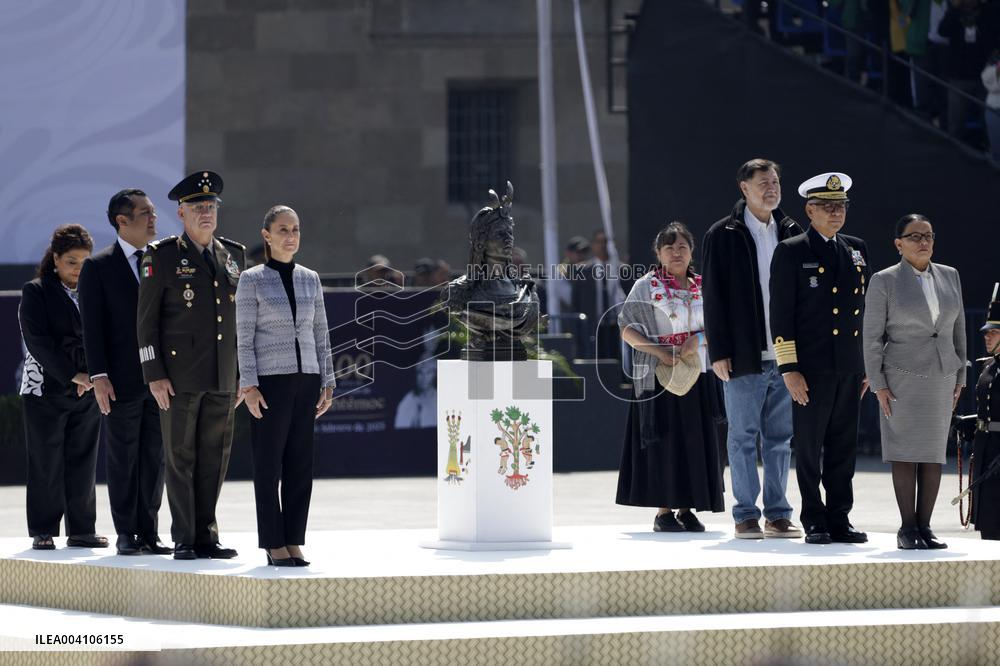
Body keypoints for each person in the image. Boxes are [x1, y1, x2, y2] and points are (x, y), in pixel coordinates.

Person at [137, 170, 245, 560]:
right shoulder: (161, 255)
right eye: (197, 207)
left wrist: (241, 375)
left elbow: (239, 321)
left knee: (215, 457)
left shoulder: (233, 255)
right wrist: (154, 374)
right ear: (180, 213)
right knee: (181, 457)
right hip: (178, 377)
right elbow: (146, 322)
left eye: (211, 206)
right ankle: (184, 536)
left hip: (222, 373)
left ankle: (206, 535)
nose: (206, 213)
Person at [702, 159, 804, 540]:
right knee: (742, 436)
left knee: (780, 439)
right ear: (744, 188)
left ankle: (778, 514)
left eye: (776, 181)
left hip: (786, 356)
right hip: (743, 354)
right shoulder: (723, 233)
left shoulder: (792, 230)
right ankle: (745, 513)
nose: (772, 188)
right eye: (764, 182)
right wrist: (718, 351)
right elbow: (712, 296)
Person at [769, 172, 870, 545]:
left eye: (841, 206)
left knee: (844, 446)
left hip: (849, 366)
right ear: (810, 210)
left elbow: (864, 311)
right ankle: (814, 517)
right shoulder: (793, 250)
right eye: (827, 207)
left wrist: (866, 365)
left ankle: (840, 516)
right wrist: (789, 368)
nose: (836, 212)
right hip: (810, 369)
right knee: (810, 446)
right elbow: (780, 316)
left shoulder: (856, 248)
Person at [237, 205, 335, 567]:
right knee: (268, 465)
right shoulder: (252, 279)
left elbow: (321, 333)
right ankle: (272, 542)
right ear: (267, 235)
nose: (290, 236)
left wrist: (328, 381)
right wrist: (248, 385)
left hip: (307, 379)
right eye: (282, 230)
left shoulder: (311, 278)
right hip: (270, 382)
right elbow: (243, 338)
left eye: (295, 229)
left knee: (299, 465)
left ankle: (294, 539)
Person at [862, 214, 966, 550]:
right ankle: (907, 528)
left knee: (933, 454)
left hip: (942, 376)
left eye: (929, 236)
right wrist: (877, 382)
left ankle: (926, 526)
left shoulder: (950, 275)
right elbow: (872, 337)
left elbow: (958, 329)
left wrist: (961, 375)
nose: (923, 242)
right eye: (915, 236)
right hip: (901, 379)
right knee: (905, 453)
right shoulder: (884, 280)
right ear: (899, 244)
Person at [78, 189, 171, 556]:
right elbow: (92, 327)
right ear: (122, 221)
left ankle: (150, 531)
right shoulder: (98, 267)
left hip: (161, 379)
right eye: (145, 213)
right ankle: (126, 532)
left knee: (155, 456)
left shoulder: (164, 260)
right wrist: (99, 375)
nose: (153, 219)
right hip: (120, 380)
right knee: (123, 456)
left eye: (153, 212)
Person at [616, 222, 724, 532]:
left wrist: (698, 341)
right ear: (658, 253)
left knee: (694, 439)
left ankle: (688, 508)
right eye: (669, 248)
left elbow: (719, 328)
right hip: (659, 376)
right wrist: (659, 352)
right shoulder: (646, 286)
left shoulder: (704, 286)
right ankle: (664, 510)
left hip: (698, 374)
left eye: (683, 247)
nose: (676, 253)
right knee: (663, 441)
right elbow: (627, 327)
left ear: (692, 251)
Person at [18, 224, 106, 551]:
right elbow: (38, 344)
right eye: (71, 261)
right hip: (45, 389)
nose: (78, 269)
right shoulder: (36, 291)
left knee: (83, 460)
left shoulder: (94, 291)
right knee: (46, 460)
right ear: (55, 259)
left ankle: (82, 530)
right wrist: (75, 375)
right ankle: (43, 530)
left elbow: (102, 337)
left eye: (84, 261)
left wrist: (94, 375)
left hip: (89, 388)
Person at [970, 284, 1000, 539]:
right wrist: (970, 423)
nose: (986, 337)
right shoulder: (990, 366)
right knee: (987, 513)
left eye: (993, 332)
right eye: (987, 332)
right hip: (986, 445)